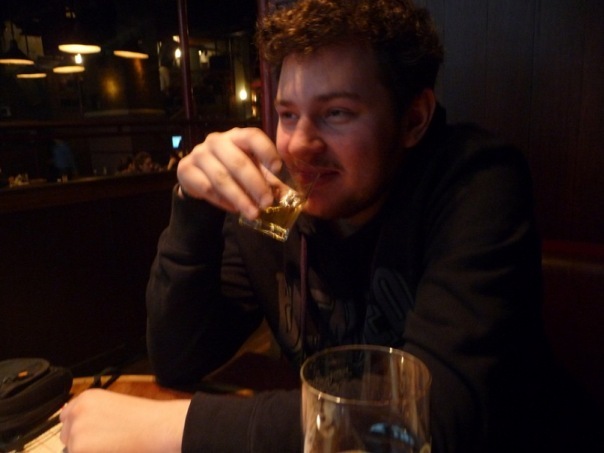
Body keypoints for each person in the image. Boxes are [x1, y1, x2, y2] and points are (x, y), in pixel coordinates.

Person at [60, 1, 554, 452]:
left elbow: (432, 420)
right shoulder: (280, 205)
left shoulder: (474, 183)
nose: (298, 145)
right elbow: (179, 359)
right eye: (287, 114)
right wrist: (194, 208)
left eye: (336, 113)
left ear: (414, 119)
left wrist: (176, 429)